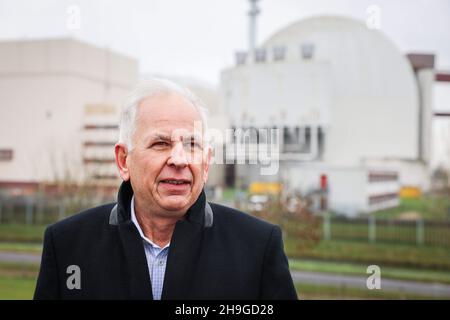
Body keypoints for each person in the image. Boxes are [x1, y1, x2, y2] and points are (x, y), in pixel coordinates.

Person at [34, 79, 297, 300]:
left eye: (191, 144)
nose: (179, 159)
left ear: (206, 164)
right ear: (124, 160)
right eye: (161, 143)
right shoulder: (67, 246)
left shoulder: (258, 247)